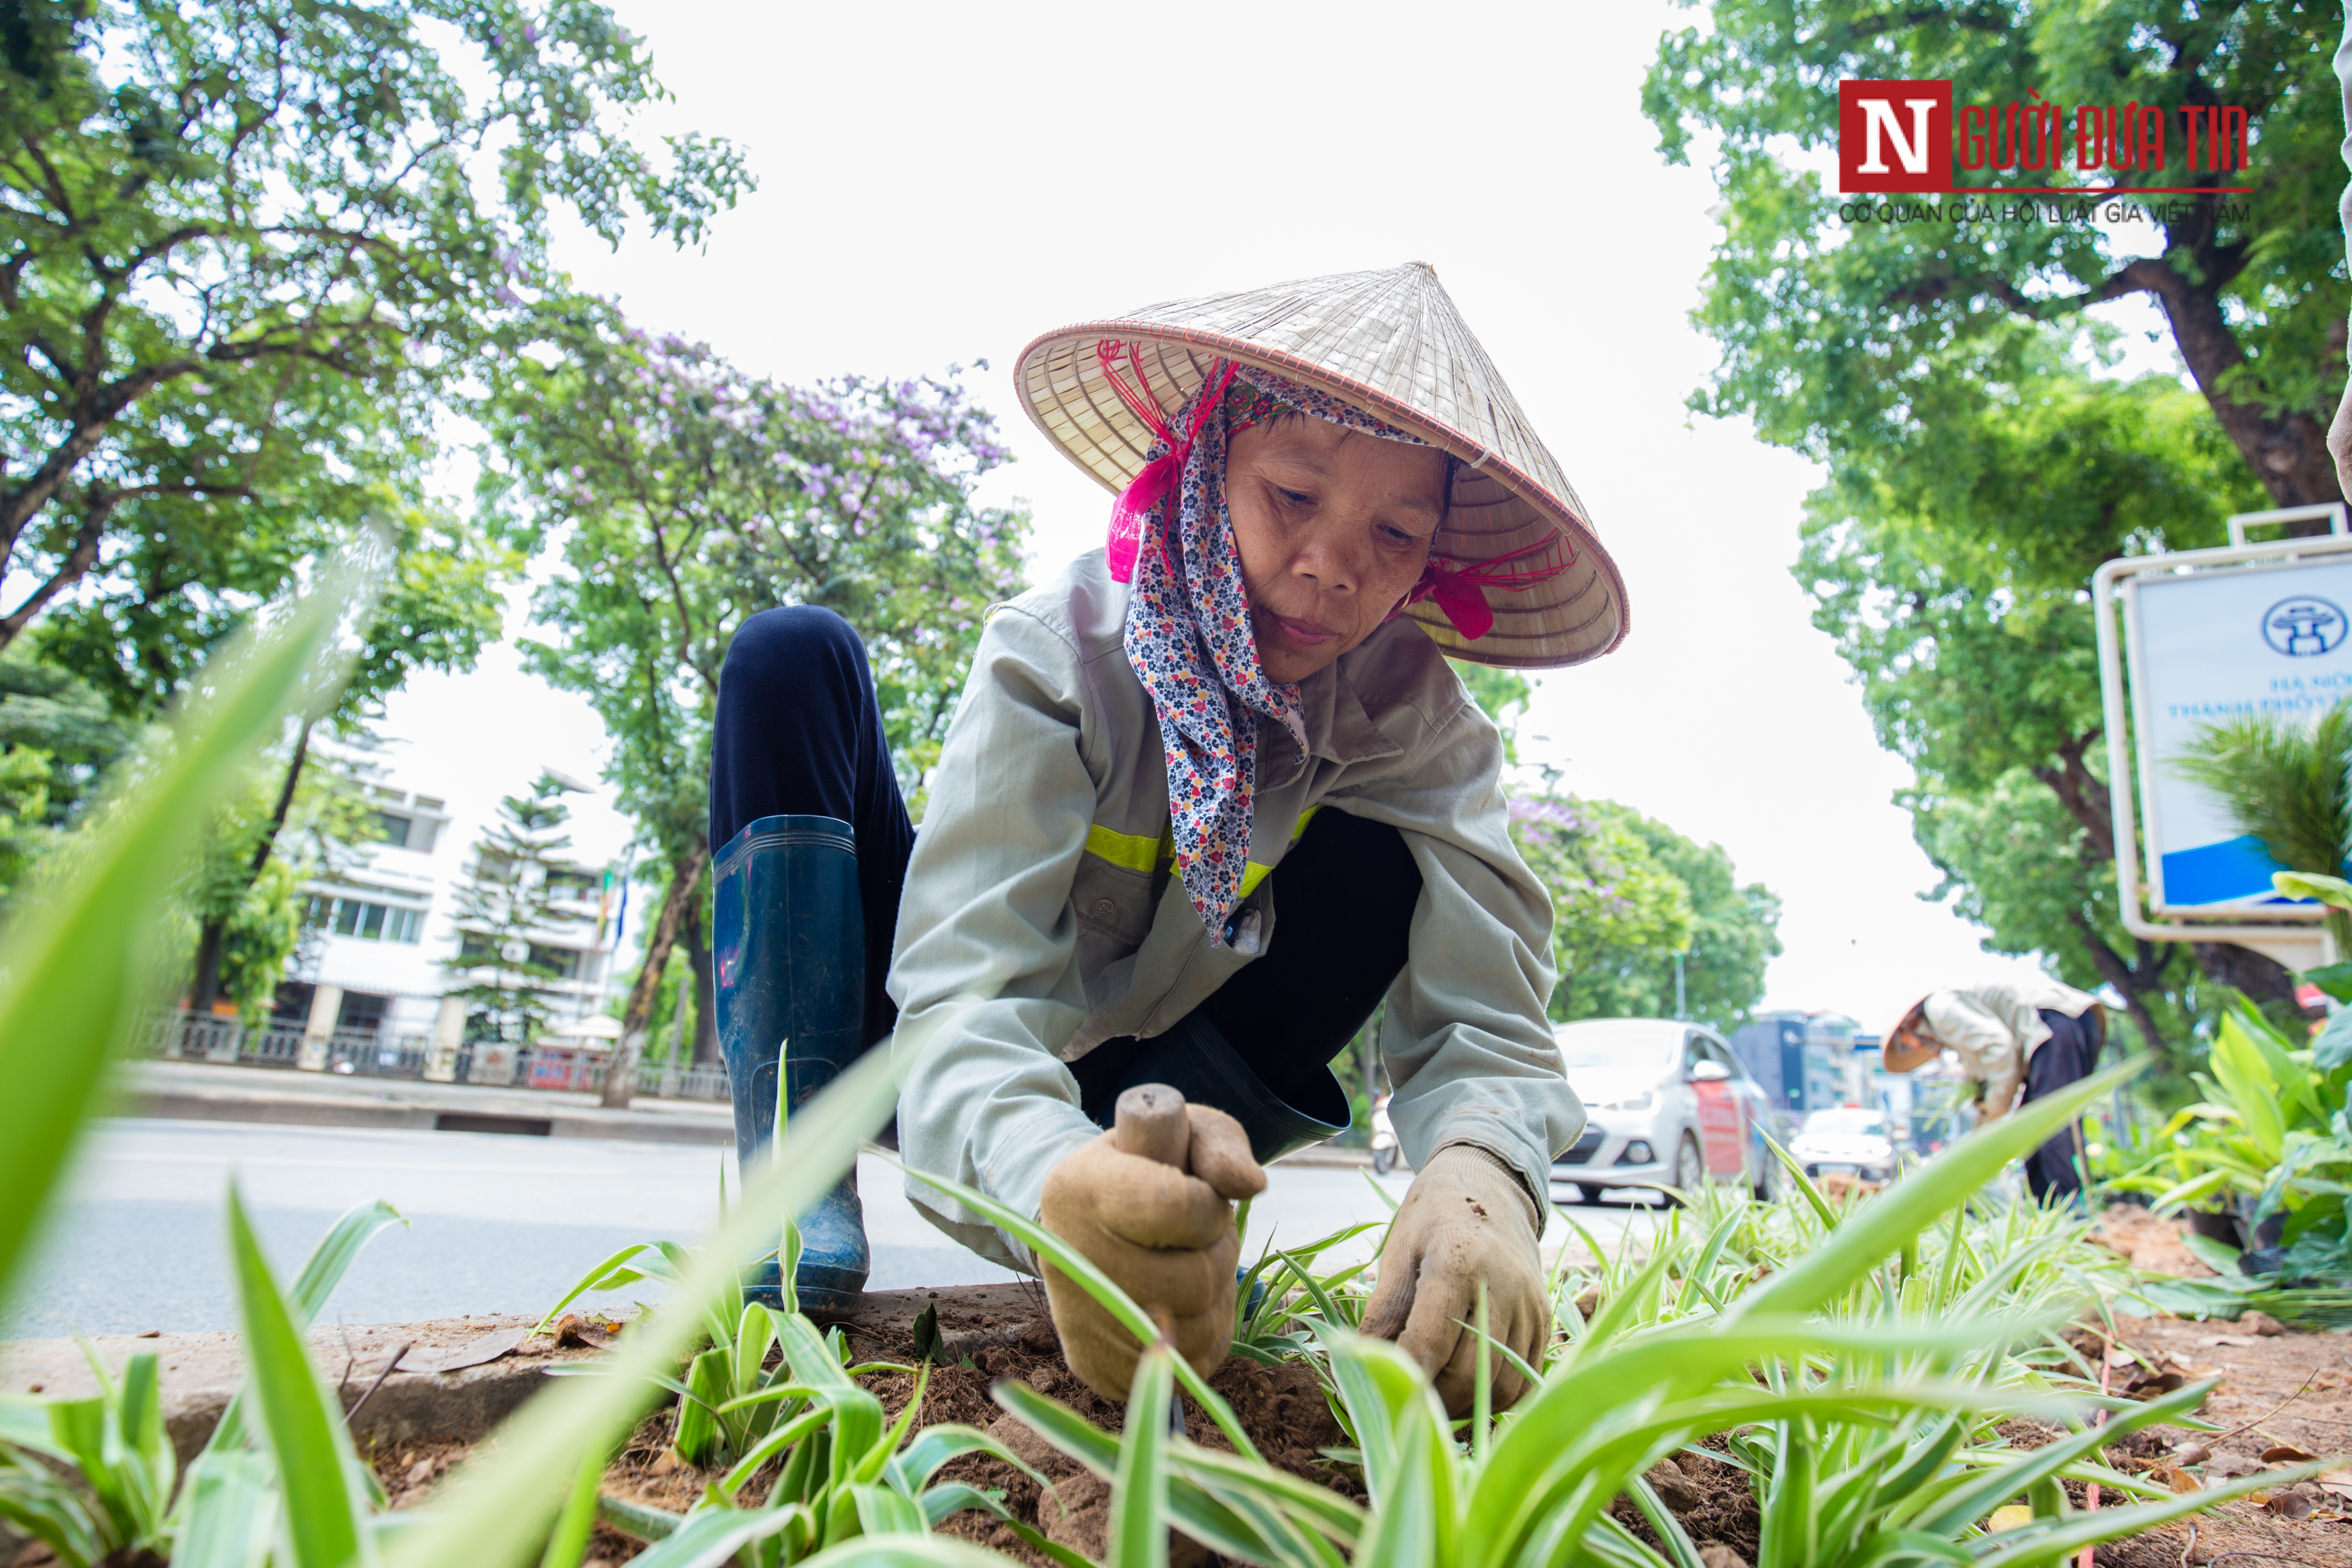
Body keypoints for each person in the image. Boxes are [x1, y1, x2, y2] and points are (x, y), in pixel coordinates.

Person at [707, 262, 1629, 1414]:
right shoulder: (1061, 657)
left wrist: (1484, 1178)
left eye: (1395, 533)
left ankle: (1171, 1204)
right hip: (929, 1051)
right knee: (793, 656)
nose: (1337, 565)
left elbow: (1490, 1019)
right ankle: (795, 1179)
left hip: (1177, 1093)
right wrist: (1053, 1179)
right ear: (1206, 466)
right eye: (1296, 496)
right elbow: (965, 993)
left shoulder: (1420, 733)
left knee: (1390, 865)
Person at [1881, 978, 2107, 1201]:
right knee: (2031, 1130)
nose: (1914, 1047)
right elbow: (1985, 1074)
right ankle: (2045, 1209)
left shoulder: (1940, 1008)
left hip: (2056, 1023)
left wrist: (1996, 1107)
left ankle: (2072, 1210)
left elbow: (2000, 1051)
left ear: (1909, 1024)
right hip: (2059, 1030)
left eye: (1904, 1044)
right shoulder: (1950, 1024)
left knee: (2049, 1123)